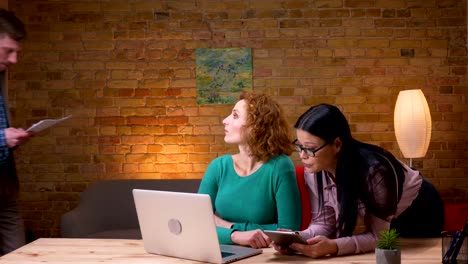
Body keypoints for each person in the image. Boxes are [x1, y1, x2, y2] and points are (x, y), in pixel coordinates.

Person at [275, 103, 444, 258]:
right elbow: (323, 223)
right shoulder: (313, 170)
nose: (303, 156)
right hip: (388, 222)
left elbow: (378, 237)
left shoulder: (374, 171)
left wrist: (333, 246)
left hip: (420, 211)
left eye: (310, 149)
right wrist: (296, 239)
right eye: (299, 146)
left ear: (337, 144)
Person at [198, 92, 302, 249]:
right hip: (224, 251)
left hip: (266, 256)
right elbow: (196, 221)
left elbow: (288, 232)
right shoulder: (218, 166)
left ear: (257, 126)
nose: (224, 121)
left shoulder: (280, 166)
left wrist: (225, 225)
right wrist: (235, 235)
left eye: (235, 116)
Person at [0, 9, 33, 255]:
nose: (14, 61)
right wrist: (2, 138)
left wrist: (13, 138)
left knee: (17, 255)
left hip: (6, 184)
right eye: (8, 51)